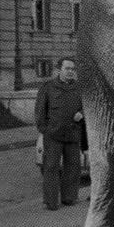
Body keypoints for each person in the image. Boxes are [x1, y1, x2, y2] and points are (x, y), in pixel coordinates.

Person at [35, 57, 84, 210]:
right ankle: (51, 202)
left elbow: (87, 107)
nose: (70, 72)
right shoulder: (48, 87)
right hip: (53, 135)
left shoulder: (79, 88)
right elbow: (40, 111)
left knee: (73, 167)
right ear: (59, 70)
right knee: (51, 167)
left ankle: (69, 198)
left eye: (72, 69)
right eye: (67, 68)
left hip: (72, 133)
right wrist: (45, 131)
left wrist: (82, 114)